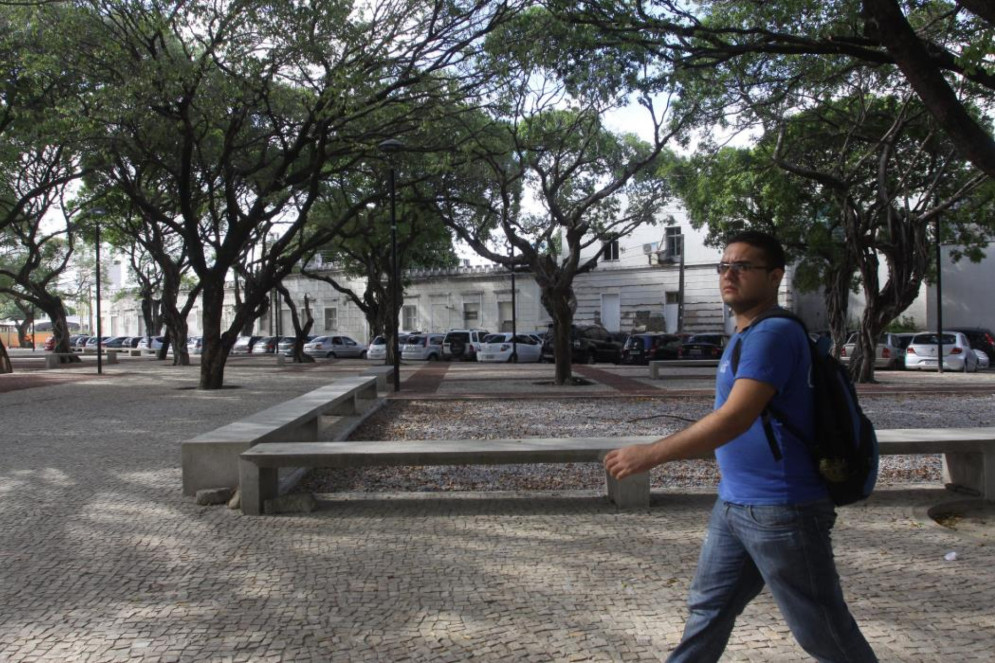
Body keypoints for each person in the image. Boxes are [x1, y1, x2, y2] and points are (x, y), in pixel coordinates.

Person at [604, 230, 876, 662]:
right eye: (724, 266)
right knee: (708, 611)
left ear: (774, 277)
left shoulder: (773, 335)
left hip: (782, 510)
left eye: (743, 266)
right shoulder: (746, 334)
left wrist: (650, 454)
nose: (729, 274)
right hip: (735, 504)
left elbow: (734, 417)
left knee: (823, 631)